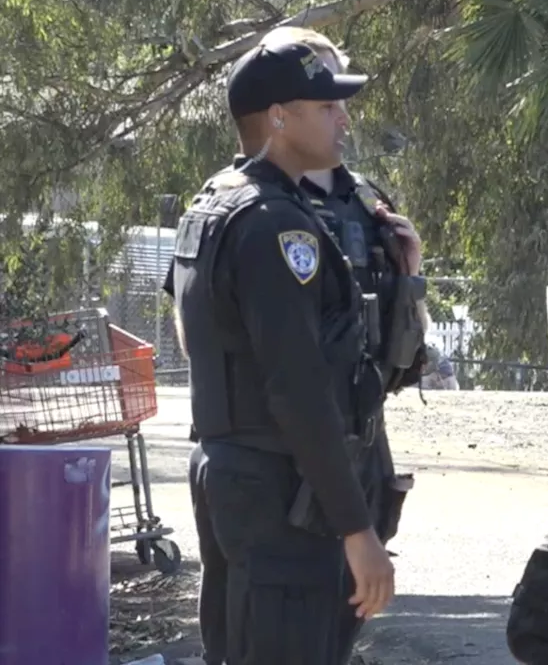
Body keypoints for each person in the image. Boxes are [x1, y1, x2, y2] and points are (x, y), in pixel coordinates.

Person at [169, 40, 395, 665]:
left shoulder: (213, 205)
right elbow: (299, 390)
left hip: (234, 471)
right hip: (280, 494)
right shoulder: (275, 224)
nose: (342, 118)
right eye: (326, 106)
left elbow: (193, 335)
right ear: (277, 116)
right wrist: (357, 529)